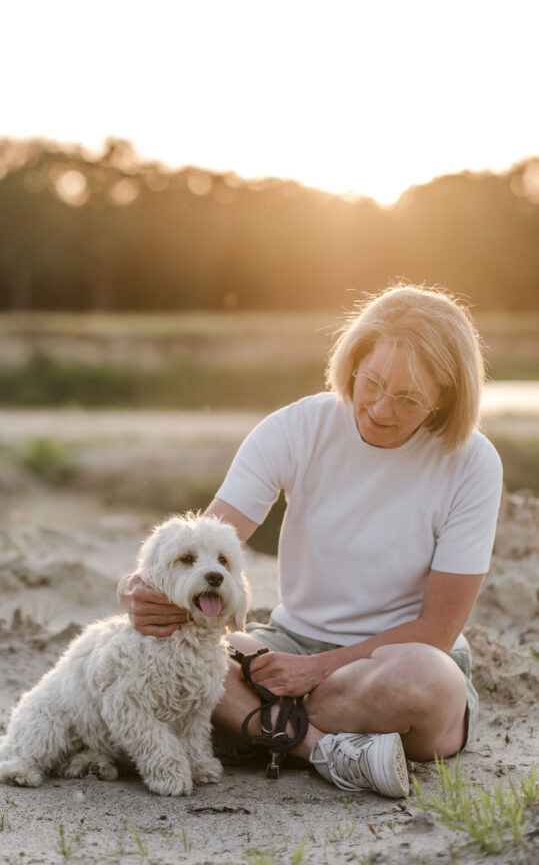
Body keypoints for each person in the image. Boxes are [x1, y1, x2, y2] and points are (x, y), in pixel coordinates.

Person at [118, 284, 503, 798]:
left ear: (445, 399)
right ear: (355, 362)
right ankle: (327, 751)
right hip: (283, 651)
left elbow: (436, 628)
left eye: (409, 398)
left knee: (423, 682)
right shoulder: (297, 426)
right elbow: (198, 548)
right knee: (180, 645)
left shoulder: (473, 463)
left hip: (396, 661)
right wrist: (135, 590)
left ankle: (254, 728)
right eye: (373, 383)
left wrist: (315, 671)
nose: (381, 409)